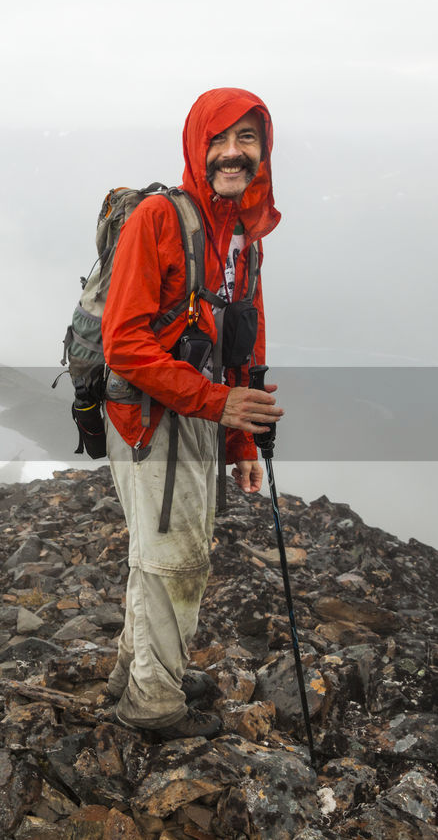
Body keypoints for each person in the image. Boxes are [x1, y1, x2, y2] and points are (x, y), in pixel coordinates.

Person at [100, 87, 284, 739]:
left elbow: (242, 344)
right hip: (152, 420)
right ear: (196, 145)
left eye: (248, 138)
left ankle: (136, 671)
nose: (233, 152)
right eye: (220, 138)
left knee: (159, 553)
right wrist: (217, 404)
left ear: (264, 151)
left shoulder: (243, 237)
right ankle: (152, 707)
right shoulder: (159, 219)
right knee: (177, 559)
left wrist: (240, 445)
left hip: (201, 417)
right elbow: (123, 342)